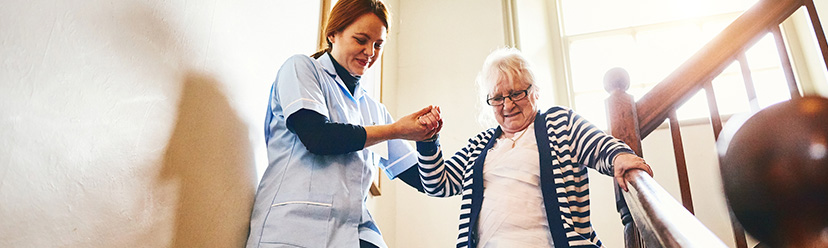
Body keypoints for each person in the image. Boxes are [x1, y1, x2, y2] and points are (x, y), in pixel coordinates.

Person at [246, 0, 441, 247]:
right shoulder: (301, 69)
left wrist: (428, 138)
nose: (370, 52)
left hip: (351, 233)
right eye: (361, 40)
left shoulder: (373, 110)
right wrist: (396, 130)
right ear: (333, 34)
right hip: (292, 229)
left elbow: (426, 180)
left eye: (378, 45)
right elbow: (317, 137)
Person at [415, 48, 653, 248]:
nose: (507, 104)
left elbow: (598, 145)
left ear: (535, 91)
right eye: (497, 98)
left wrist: (620, 157)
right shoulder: (479, 145)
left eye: (516, 93)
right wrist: (427, 141)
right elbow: (438, 183)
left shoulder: (559, 123)